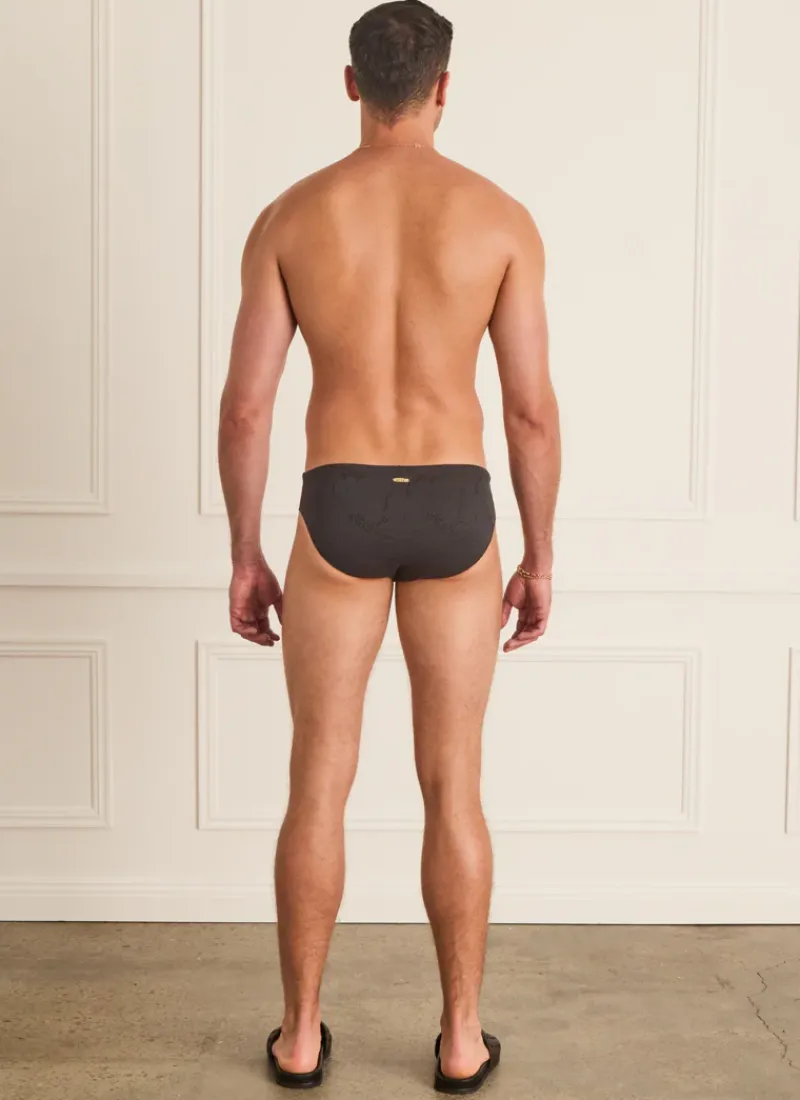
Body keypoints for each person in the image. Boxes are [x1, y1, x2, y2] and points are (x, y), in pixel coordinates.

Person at [218, 1, 561, 1092]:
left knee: (317, 779)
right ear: (444, 88)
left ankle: (300, 1036)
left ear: (352, 84)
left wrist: (245, 551)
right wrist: (540, 554)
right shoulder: (499, 218)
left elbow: (246, 408)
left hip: (341, 500)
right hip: (455, 503)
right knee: (453, 784)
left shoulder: (290, 217)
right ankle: (460, 1038)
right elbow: (529, 413)